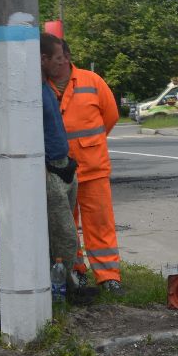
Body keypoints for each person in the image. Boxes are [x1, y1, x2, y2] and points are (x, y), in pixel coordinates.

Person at [41, 32, 122, 293]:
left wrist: (90, 144)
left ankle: (109, 276)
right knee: (66, 227)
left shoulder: (91, 81)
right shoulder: (41, 87)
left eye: (60, 58)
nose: (58, 63)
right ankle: (77, 272)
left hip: (93, 167)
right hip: (60, 172)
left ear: (67, 57)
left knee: (100, 224)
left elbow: (110, 116)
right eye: (53, 59)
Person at [40, 66, 84, 295]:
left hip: (64, 164)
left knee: (64, 233)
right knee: (66, 235)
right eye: (57, 58)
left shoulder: (48, 88)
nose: (62, 63)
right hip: (50, 170)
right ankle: (64, 286)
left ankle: (63, 284)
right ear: (43, 59)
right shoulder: (35, 93)